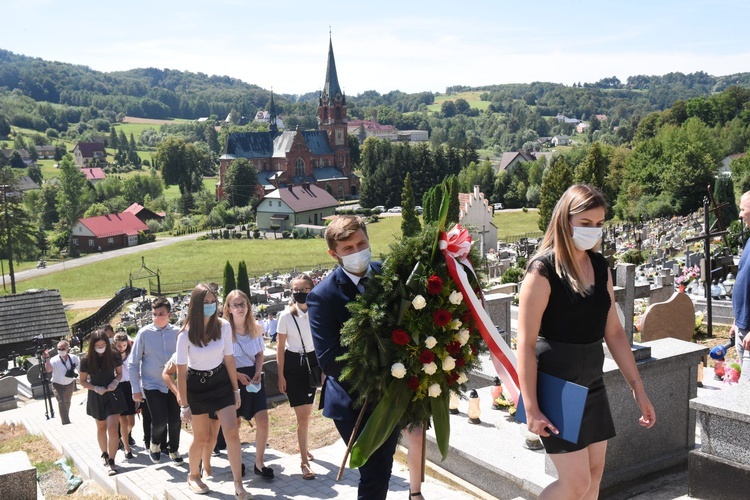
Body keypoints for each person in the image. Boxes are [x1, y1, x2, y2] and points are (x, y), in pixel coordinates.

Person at [517, 184, 656, 499]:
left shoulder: (600, 267)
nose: (594, 231)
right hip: (555, 384)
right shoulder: (543, 271)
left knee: (594, 477)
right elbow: (524, 344)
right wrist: (531, 407)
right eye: (585, 223)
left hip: (592, 381)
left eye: (599, 224)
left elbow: (615, 333)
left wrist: (638, 388)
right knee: (575, 483)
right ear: (565, 222)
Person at [307, 215, 400, 500]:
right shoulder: (322, 297)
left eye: (361, 243)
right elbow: (330, 360)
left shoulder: (387, 274)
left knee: (383, 468)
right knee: (374, 473)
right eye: (348, 248)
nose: (357, 251)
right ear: (333, 254)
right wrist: (383, 364)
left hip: (392, 392)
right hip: (353, 400)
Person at [176, 284, 250, 499]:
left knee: (232, 431)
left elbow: (229, 358)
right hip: (196, 386)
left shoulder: (224, 326)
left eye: (213, 302)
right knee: (202, 437)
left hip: (220, 382)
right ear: (195, 305)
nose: (210, 306)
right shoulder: (185, 335)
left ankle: (238, 485)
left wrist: (236, 391)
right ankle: (194, 475)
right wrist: (184, 405)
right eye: (205, 302)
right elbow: (180, 373)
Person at [223, 289, 274, 479]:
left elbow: (259, 353)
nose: (239, 308)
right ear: (228, 308)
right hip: (232, 378)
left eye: (242, 304)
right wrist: (236, 375)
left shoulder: (256, 327)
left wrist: (258, 371)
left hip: (254, 376)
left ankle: (259, 463)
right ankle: (236, 463)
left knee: (263, 420)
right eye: (235, 305)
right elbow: (221, 359)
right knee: (234, 424)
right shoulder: (224, 330)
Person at [277, 274, 320, 480]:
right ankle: (304, 463)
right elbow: (279, 348)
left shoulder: (316, 312)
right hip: (293, 365)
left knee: (308, 413)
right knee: (302, 416)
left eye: (304, 289)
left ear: (311, 290)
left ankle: (302, 445)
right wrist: (280, 376)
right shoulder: (285, 316)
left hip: (312, 364)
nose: (299, 293)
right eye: (296, 289)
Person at [128, 297, 182, 463]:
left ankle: (173, 449)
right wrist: (135, 389)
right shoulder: (144, 334)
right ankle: (155, 443)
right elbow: (133, 363)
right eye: (154, 314)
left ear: (169, 314)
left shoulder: (177, 333)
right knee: (160, 420)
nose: (157, 317)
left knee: (174, 420)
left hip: (173, 384)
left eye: (161, 314)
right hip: (152, 384)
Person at [162, 352, 221, 478]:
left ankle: (206, 465)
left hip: (215, 393)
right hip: (194, 397)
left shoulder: (214, 344)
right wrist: (177, 393)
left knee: (213, 435)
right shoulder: (182, 351)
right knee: (201, 436)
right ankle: (195, 470)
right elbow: (166, 373)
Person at [79, 329, 126, 476]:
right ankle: (104, 454)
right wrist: (94, 388)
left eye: (103, 344)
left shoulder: (114, 356)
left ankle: (112, 460)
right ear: (92, 345)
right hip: (96, 395)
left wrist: (115, 382)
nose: (100, 347)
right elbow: (82, 381)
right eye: (97, 345)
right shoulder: (86, 360)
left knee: (113, 428)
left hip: (113, 394)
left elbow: (119, 373)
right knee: (101, 427)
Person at [732, 191, 750, 382]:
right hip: (743, 326)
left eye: (743, 209)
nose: (740, 214)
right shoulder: (749, 241)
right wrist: (736, 320)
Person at [44, 339, 79, 425]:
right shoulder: (54, 359)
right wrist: (47, 359)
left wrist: (82, 379)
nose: (61, 351)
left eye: (63, 349)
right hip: (57, 384)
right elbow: (48, 370)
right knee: (61, 401)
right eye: (59, 349)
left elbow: (80, 369)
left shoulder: (74, 358)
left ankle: (65, 416)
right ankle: (66, 422)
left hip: (69, 383)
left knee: (67, 401)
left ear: (68, 349)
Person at [113, 332, 136, 459]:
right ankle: (127, 449)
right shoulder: (112, 357)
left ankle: (121, 439)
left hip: (130, 386)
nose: (121, 348)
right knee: (123, 421)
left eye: (123, 345)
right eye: (119, 345)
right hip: (118, 387)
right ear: (114, 345)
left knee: (131, 423)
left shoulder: (131, 354)